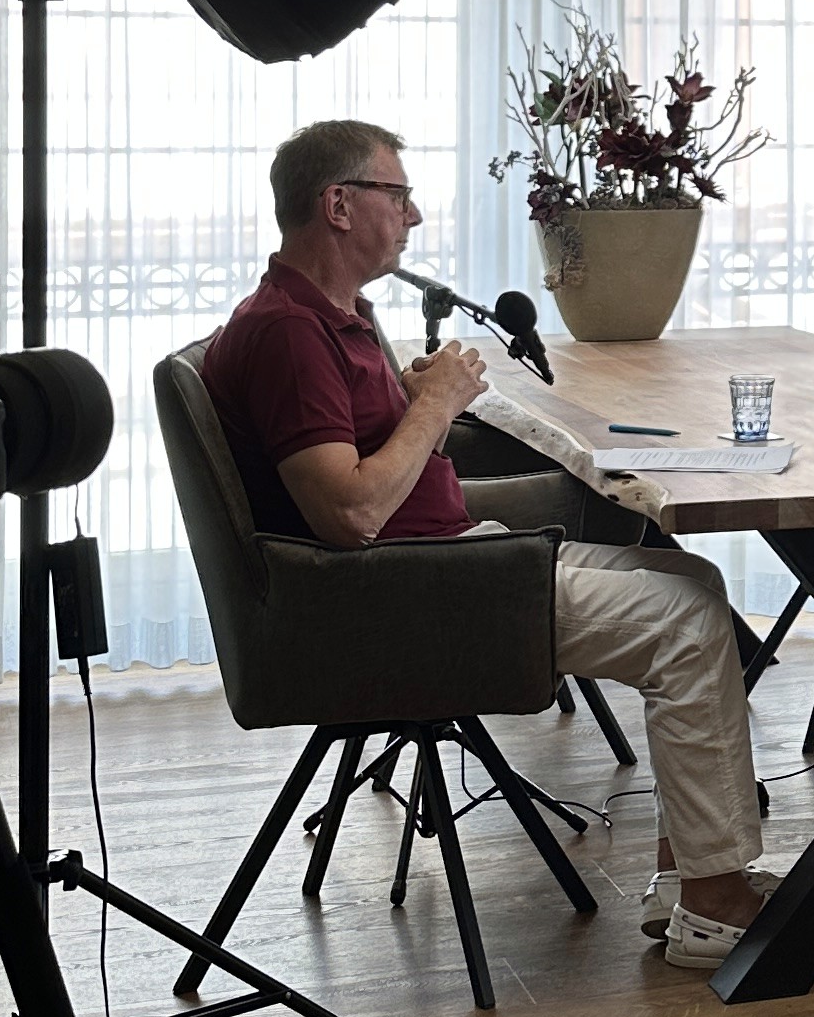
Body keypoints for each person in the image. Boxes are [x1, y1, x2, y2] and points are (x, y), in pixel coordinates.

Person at [200, 118, 784, 973]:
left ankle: (690, 881)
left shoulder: (329, 317)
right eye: (398, 196)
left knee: (690, 578)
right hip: (413, 596)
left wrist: (417, 408)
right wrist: (435, 405)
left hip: (443, 565)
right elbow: (350, 514)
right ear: (338, 205)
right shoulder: (291, 334)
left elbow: (371, 476)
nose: (414, 216)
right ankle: (720, 906)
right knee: (687, 622)